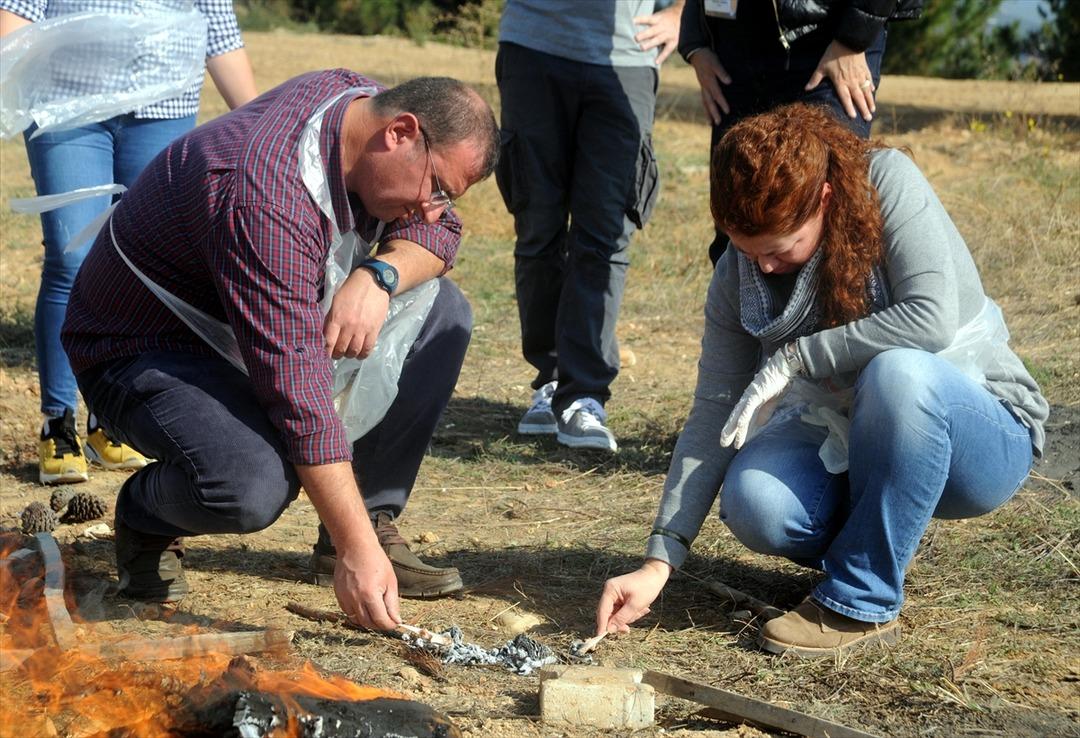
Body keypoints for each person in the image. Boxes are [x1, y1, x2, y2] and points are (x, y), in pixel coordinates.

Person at [596, 103, 1047, 658]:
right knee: (756, 501)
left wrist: (796, 357)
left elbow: (930, 318)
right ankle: (881, 540)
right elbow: (715, 408)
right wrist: (659, 560)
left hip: (980, 431)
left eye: (779, 250)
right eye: (745, 249)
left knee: (898, 371)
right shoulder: (740, 274)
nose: (761, 268)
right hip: (852, 430)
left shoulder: (886, 183)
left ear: (825, 201)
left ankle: (861, 605)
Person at [61, 69, 500, 632]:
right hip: (141, 347)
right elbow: (297, 394)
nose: (432, 210)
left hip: (246, 327)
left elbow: (443, 237)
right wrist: (356, 552)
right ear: (401, 133)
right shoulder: (263, 196)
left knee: (441, 313)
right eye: (436, 188)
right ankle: (146, 516)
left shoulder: (363, 112)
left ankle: (369, 516)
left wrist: (379, 276)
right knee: (249, 484)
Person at [0, 0, 258, 485]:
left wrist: (264, 129)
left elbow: (219, 33)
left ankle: (110, 418)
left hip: (163, 111)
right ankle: (59, 421)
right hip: (67, 108)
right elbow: (16, 15)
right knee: (71, 256)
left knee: (140, 266)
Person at [495, 0, 683, 452]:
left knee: (605, 236)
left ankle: (584, 397)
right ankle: (552, 379)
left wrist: (681, 13)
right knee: (538, 230)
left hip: (626, 59)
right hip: (534, 45)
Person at [678, 0, 922, 264]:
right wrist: (695, 43)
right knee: (739, 220)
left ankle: (837, 306)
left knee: (824, 217)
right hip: (733, 40)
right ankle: (747, 306)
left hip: (827, 40)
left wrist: (853, 37)